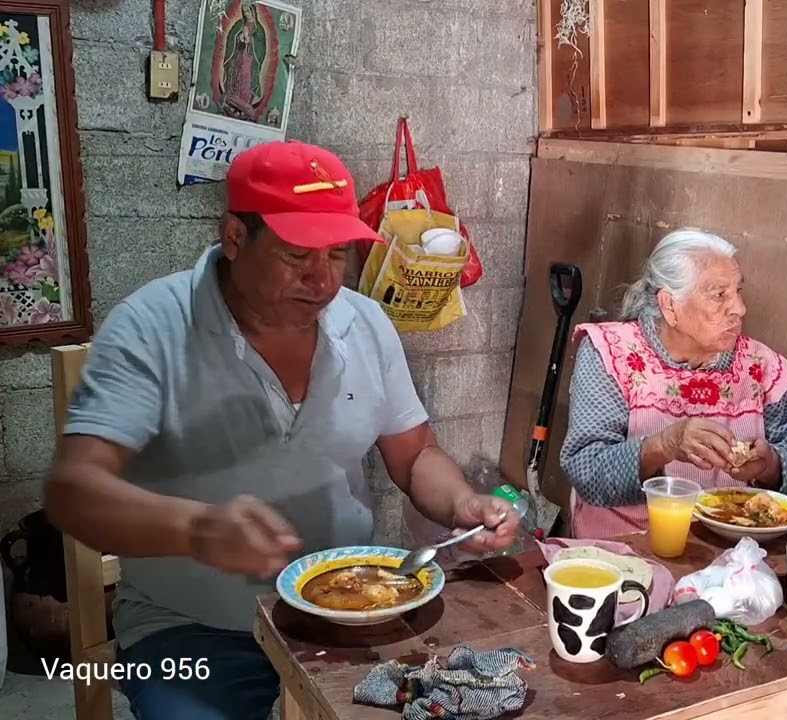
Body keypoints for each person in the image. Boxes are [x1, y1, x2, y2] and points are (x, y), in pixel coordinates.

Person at [43, 140, 519, 720]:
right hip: (195, 632)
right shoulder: (151, 328)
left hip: (352, 609)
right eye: (298, 255)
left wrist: (461, 503)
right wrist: (197, 529)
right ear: (235, 238)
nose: (322, 281)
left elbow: (415, 454)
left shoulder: (365, 322)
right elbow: (74, 491)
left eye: (337, 254)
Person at [559, 228, 787, 539]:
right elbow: (588, 470)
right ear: (669, 306)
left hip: (732, 551)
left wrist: (769, 465)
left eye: (738, 292)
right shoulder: (613, 354)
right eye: (719, 295)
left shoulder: (761, 366)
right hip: (627, 547)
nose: (739, 309)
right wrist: (664, 445)